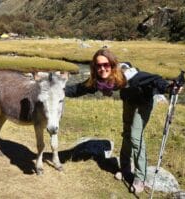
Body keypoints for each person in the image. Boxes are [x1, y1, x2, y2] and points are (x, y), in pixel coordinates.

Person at [65, 48, 173, 194]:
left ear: (112, 64)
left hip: (143, 101)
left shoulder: (129, 75)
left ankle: (140, 178)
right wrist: (60, 89)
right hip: (129, 100)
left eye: (106, 64)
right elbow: (79, 89)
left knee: (136, 136)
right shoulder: (98, 80)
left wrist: (168, 87)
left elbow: (154, 79)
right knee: (127, 133)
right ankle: (125, 168)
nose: (102, 68)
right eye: (98, 65)